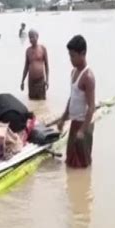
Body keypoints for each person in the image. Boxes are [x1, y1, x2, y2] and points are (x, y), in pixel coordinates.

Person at [57, 35, 96, 168]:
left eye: (73, 56)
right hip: (74, 123)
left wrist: (82, 130)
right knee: (71, 163)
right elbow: (72, 97)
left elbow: (91, 107)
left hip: (84, 125)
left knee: (83, 166)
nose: (71, 59)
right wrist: (63, 118)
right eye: (69, 55)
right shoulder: (73, 72)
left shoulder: (88, 77)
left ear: (83, 53)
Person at [20, 29, 49, 100]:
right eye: (30, 37)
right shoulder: (28, 51)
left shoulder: (42, 48)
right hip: (31, 81)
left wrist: (47, 80)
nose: (31, 39)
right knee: (31, 100)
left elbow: (47, 66)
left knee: (42, 101)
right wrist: (22, 81)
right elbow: (26, 67)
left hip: (41, 80)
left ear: (37, 36)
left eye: (33, 37)